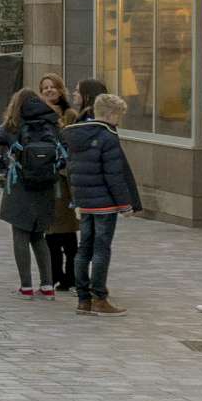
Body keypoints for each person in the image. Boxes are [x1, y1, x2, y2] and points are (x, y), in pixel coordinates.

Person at [0, 90, 71, 299]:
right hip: (46, 187)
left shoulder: (11, 126)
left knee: (20, 234)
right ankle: (48, 286)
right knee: (39, 236)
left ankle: (26, 287)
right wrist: (53, 168)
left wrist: (5, 164)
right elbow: (66, 152)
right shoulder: (54, 125)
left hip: (19, 186)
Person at [62, 92, 143, 314]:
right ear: (111, 114)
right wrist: (125, 204)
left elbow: (72, 170)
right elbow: (114, 175)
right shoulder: (108, 137)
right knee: (101, 249)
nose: (119, 122)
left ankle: (83, 299)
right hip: (105, 203)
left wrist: (77, 199)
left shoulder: (76, 135)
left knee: (83, 249)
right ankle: (99, 297)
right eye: (119, 116)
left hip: (85, 201)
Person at [32, 72, 80, 293]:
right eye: (45, 88)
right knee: (49, 231)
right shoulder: (35, 117)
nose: (49, 91)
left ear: (61, 90)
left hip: (62, 179)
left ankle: (71, 276)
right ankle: (54, 275)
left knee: (67, 231)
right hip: (44, 179)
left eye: (53, 87)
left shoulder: (70, 115)